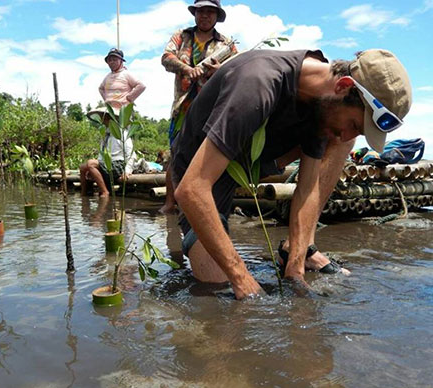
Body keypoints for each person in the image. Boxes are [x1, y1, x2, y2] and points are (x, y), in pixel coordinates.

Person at [171, 48, 412, 299]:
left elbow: (307, 188)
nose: (347, 135)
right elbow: (192, 189)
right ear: (343, 86)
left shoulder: (323, 101)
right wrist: (242, 278)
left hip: (256, 158)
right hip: (200, 169)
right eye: (353, 125)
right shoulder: (257, 84)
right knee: (217, 286)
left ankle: (300, 250)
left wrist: (295, 272)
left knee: (339, 138)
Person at [159, 0, 237, 214]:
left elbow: (237, 70)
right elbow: (166, 58)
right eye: (201, 11)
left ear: (217, 16)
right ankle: (170, 202)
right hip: (183, 105)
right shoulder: (182, 36)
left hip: (213, 107)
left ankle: (207, 203)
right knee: (176, 152)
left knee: (209, 153)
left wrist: (220, 70)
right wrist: (187, 69)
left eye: (210, 12)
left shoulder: (227, 44)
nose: (205, 15)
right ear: (195, 14)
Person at [79, 108, 137, 197]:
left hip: (118, 164)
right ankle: (85, 194)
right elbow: (102, 155)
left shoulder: (122, 134)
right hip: (106, 164)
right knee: (83, 167)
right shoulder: (106, 135)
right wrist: (92, 169)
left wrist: (127, 170)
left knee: (91, 163)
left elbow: (131, 154)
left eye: (105, 118)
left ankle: (105, 192)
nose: (103, 120)